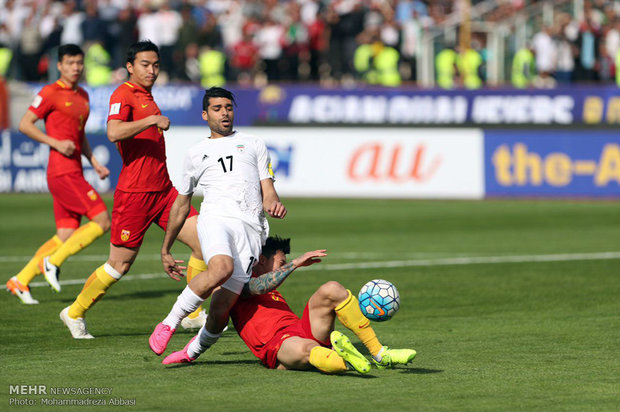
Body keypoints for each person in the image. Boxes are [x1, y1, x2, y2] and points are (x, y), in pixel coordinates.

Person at [59, 41, 206, 339]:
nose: (151, 70)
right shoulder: (122, 93)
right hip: (135, 195)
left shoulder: (147, 95)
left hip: (163, 190)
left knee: (205, 241)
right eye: (144, 65)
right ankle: (74, 312)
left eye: (155, 65)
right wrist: (151, 119)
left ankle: (192, 313)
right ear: (130, 66)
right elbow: (113, 131)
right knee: (120, 265)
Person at [149, 87, 287, 356]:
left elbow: (268, 190)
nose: (224, 112)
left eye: (228, 107)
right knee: (221, 268)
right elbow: (181, 203)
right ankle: (168, 323)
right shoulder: (196, 153)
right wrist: (166, 248)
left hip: (251, 229)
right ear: (205, 114)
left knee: (221, 308)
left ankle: (190, 353)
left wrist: (273, 203)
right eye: (217, 108)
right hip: (215, 219)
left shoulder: (254, 144)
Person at [163, 236, 417, 373]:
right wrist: (190, 353)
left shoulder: (267, 282)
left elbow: (267, 284)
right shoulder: (233, 284)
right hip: (277, 344)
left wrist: (289, 265)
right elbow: (255, 289)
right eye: (280, 260)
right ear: (261, 260)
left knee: (332, 288)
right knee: (307, 349)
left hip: (300, 329)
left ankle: (379, 353)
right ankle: (344, 359)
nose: (283, 265)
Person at [6, 44, 111, 305]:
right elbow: (24, 124)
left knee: (66, 233)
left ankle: (20, 279)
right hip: (61, 171)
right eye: (70, 63)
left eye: (79, 62)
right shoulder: (50, 92)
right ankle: (52, 262)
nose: (75, 67)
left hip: (74, 168)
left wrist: (94, 161)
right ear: (60, 65)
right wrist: (55, 142)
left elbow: (79, 135)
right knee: (102, 221)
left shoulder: (83, 96)